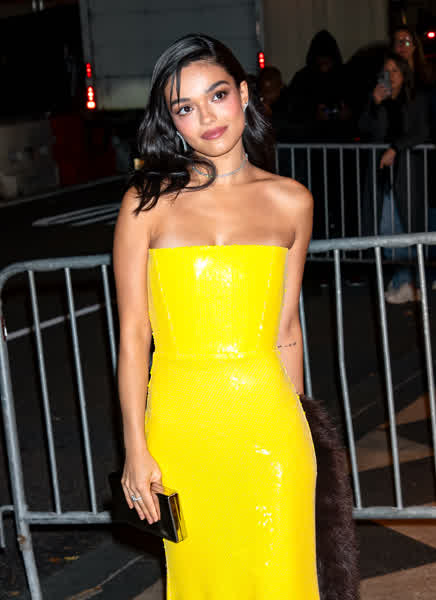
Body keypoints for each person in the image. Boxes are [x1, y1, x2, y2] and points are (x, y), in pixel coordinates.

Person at [113, 34, 357, 599]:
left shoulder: (292, 201)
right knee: (202, 583)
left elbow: (286, 329)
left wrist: (305, 429)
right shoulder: (146, 203)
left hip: (271, 432)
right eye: (185, 107)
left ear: (244, 94)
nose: (207, 117)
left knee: (282, 581)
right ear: (172, 122)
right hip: (181, 432)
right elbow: (133, 335)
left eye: (217, 95)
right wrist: (135, 447)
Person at [358, 52, 430, 304]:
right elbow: (363, 128)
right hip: (383, 175)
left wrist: (395, 148)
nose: (390, 76)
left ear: (404, 74)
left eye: (395, 71)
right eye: (386, 72)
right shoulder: (380, 99)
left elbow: (421, 131)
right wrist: (374, 103)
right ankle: (405, 279)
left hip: (407, 174)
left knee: (405, 228)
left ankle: (408, 281)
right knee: (386, 228)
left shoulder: (415, 99)